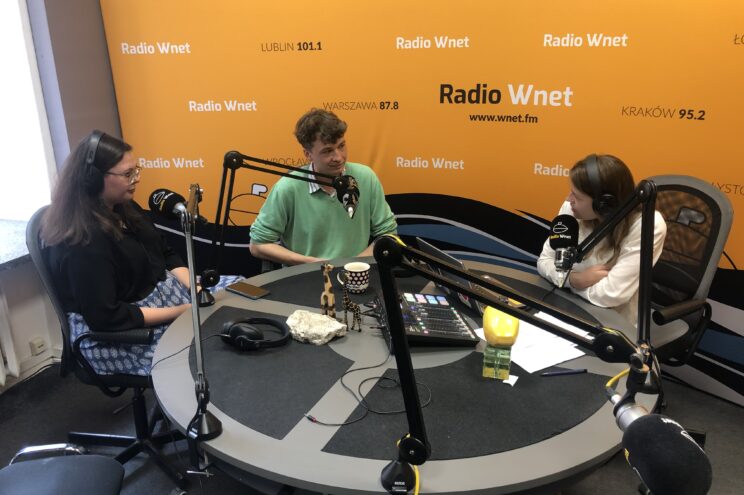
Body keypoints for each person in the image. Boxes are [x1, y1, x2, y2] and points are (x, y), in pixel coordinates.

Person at [40, 130, 238, 376]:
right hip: (121, 335)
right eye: (127, 174)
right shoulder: (83, 242)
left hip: (163, 298)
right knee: (211, 354)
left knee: (237, 293)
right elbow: (106, 317)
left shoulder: (124, 207)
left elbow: (165, 253)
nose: (137, 178)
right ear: (93, 179)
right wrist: (186, 311)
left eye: (136, 170)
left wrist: (196, 290)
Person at [249, 108, 398, 265]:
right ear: (308, 154)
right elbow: (258, 245)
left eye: (341, 146)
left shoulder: (366, 177)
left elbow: (388, 234)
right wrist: (315, 264)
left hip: (356, 272)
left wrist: (354, 265)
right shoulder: (288, 187)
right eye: (327, 151)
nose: (339, 157)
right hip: (306, 274)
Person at [537, 154, 667, 325]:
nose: (569, 199)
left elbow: (611, 295)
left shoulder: (647, 225)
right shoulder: (571, 210)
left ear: (604, 204)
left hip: (611, 322)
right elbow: (544, 261)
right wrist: (575, 280)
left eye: (577, 196)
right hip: (564, 308)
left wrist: (565, 281)